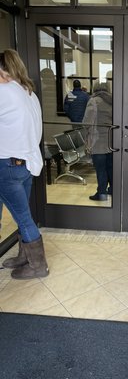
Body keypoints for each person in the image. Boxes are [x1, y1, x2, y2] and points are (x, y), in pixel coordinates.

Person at [0, 49, 49, 279]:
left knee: (23, 218)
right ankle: (24, 257)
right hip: (25, 164)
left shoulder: (4, 91)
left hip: (6, 166)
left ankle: (38, 267)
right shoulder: (29, 93)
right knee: (23, 214)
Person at [83, 81, 113, 201]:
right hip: (112, 141)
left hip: (98, 140)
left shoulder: (93, 101)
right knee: (110, 167)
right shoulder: (113, 101)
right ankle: (112, 190)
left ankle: (101, 193)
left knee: (101, 169)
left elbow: (87, 122)